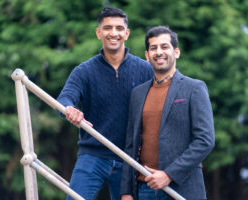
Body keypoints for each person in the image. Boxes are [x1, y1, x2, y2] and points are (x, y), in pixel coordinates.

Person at [57, 7, 153, 200]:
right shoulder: (83, 71)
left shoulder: (146, 70)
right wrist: (70, 109)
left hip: (130, 159)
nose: (113, 33)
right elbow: (64, 99)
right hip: (92, 155)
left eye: (119, 28)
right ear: (98, 32)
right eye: (107, 27)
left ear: (126, 33)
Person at [120, 26, 215, 200]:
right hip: (144, 189)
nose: (159, 52)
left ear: (176, 52)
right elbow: (130, 145)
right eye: (153, 48)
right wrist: (126, 191)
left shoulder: (194, 88)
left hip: (181, 189)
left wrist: (169, 174)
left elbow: (205, 140)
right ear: (147, 56)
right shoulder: (137, 94)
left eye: (164, 47)